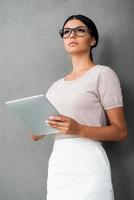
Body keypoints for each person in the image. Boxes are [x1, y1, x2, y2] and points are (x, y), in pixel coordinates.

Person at [31, 14, 128, 200]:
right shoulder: (55, 86)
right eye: (66, 32)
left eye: (80, 30)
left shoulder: (103, 74)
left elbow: (120, 131)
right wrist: (37, 125)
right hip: (59, 166)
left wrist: (79, 128)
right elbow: (36, 135)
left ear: (93, 40)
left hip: (89, 164)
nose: (71, 35)